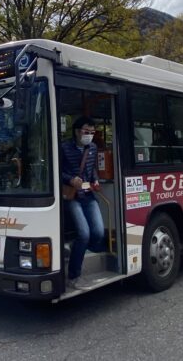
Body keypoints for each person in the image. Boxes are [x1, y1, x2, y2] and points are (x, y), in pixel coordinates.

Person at [60, 116, 105, 290]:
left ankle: (77, 248)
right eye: (87, 132)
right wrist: (71, 180)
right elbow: (56, 171)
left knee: (99, 232)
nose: (90, 135)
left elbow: (91, 169)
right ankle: (74, 276)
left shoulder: (92, 148)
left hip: (89, 194)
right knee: (84, 234)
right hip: (72, 197)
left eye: (92, 132)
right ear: (77, 131)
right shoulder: (64, 148)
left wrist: (95, 180)